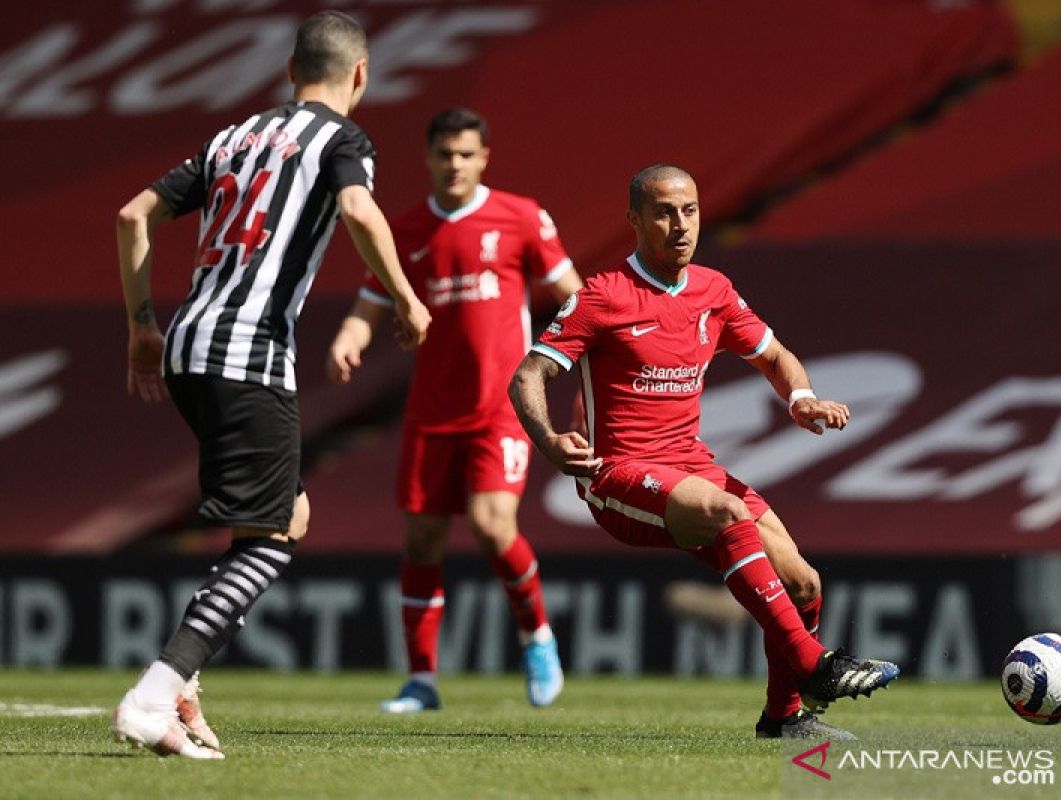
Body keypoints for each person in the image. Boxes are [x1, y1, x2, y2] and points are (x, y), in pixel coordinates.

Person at [113, 11, 430, 759]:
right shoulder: (345, 140)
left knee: (288, 511)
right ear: (361, 75)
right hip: (249, 353)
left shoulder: (232, 138)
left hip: (188, 344)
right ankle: (157, 691)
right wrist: (408, 298)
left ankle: (182, 688)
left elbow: (133, 216)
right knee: (273, 535)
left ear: (290, 70)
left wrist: (140, 327)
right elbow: (357, 209)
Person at [509, 164, 899, 740]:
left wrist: (801, 398)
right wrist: (548, 442)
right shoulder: (602, 296)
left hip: (691, 465)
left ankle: (784, 717)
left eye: (689, 210)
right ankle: (816, 665)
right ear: (635, 221)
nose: (680, 225)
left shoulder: (713, 291)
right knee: (727, 512)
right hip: (617, 474)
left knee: (804, 583)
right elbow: (528, 376)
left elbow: (774, 355)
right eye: (664, 212)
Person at [327, 108, 581, 713]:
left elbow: (574, 297)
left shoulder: (521, 216)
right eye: (444, 154)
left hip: (502, 407)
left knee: (494, 526)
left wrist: (572, 367)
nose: (455, 165)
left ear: (484, 156)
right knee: (421, 541)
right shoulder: (407, 227)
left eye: (466, 154)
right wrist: (351, 335)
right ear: (428, 157)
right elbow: (370, 301)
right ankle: (421, 681)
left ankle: (537, 637)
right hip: (431, 411)